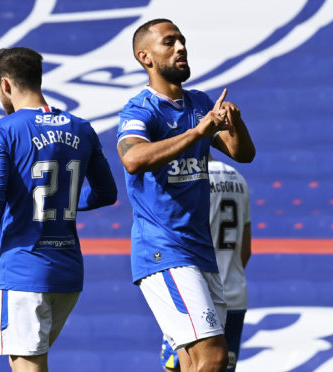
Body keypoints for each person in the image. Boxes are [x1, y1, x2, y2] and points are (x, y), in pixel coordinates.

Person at [0, 47, 117, 372]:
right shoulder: (81, 127)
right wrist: (65, 202)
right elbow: (107, 193)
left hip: (25, 270)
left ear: (4, 85)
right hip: (68, 273)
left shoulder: (3, 129)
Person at [116, 19, 255, 372]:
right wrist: (197, 133)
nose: (180, 47)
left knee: (192, 363)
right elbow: (132, 159)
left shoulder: (199, 102)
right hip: (164, 249)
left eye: (182, 40)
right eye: (169, 42)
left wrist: (233, 121)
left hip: (200, 252)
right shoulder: (141, 108)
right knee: (214, 357)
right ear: (144, 56)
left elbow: (243, 154)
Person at [161, 157, 252, 372]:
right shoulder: (238, 178)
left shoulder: (188, 178)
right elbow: (245, 250)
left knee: (179, 367)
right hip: (233, 293)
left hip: (195, 295)